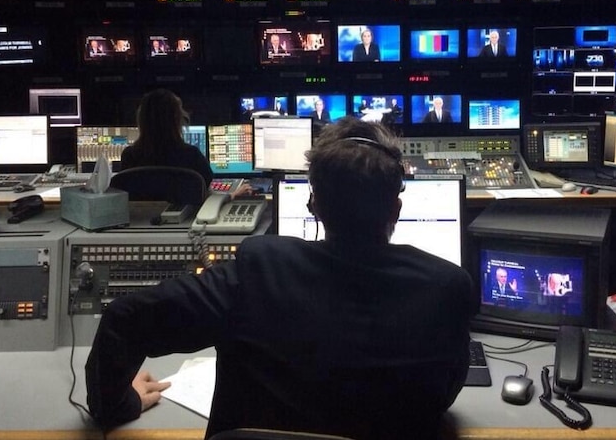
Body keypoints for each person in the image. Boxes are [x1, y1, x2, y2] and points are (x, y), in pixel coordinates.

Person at [85, 117, 473, 440]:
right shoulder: (446, 288)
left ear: (314, 205)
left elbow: (124, 319)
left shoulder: (258, 270)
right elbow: (443, 396)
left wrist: (120, 404)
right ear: (396, 207)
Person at [119, 89, 213, 187]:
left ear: (141, 120)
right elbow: (205, 183)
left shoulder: (129, 156)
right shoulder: (192, 155)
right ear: (177, 119)